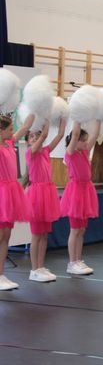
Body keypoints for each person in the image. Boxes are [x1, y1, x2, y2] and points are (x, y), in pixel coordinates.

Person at [25, 119, 67, 282]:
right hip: (37, 194)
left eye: (36, 135)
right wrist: (47, 117)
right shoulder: (30, 152)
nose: (35, 138)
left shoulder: (46, 151)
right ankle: (34, 269)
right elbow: (44, 136)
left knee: (44, 234)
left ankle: (40, 266)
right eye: (31, 136)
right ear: (28, 141)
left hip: (48, 193)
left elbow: (60, 135)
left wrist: (63, 118)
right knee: (36, 234)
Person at [61, 121, 101, 275]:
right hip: (76, 192)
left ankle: (78, 260)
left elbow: (95, 136)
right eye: (83, 140)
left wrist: (98, 119)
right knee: (75, 230)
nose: (86, 142)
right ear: (75, 141)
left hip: (86, 190)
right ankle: (72, 262)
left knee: (82, 230)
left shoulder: (84, 152)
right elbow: (75, 134)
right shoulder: (70, 153)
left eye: (85, 140)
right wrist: (77, 118)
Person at [0, 114, 34, 291]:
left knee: (6, 236)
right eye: (10, 129)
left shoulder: (9, 142)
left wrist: (35, 108)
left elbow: (25, 126)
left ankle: (1, 274)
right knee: (1, 235)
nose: (13, 131)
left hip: (12, 191)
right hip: (2, 192)